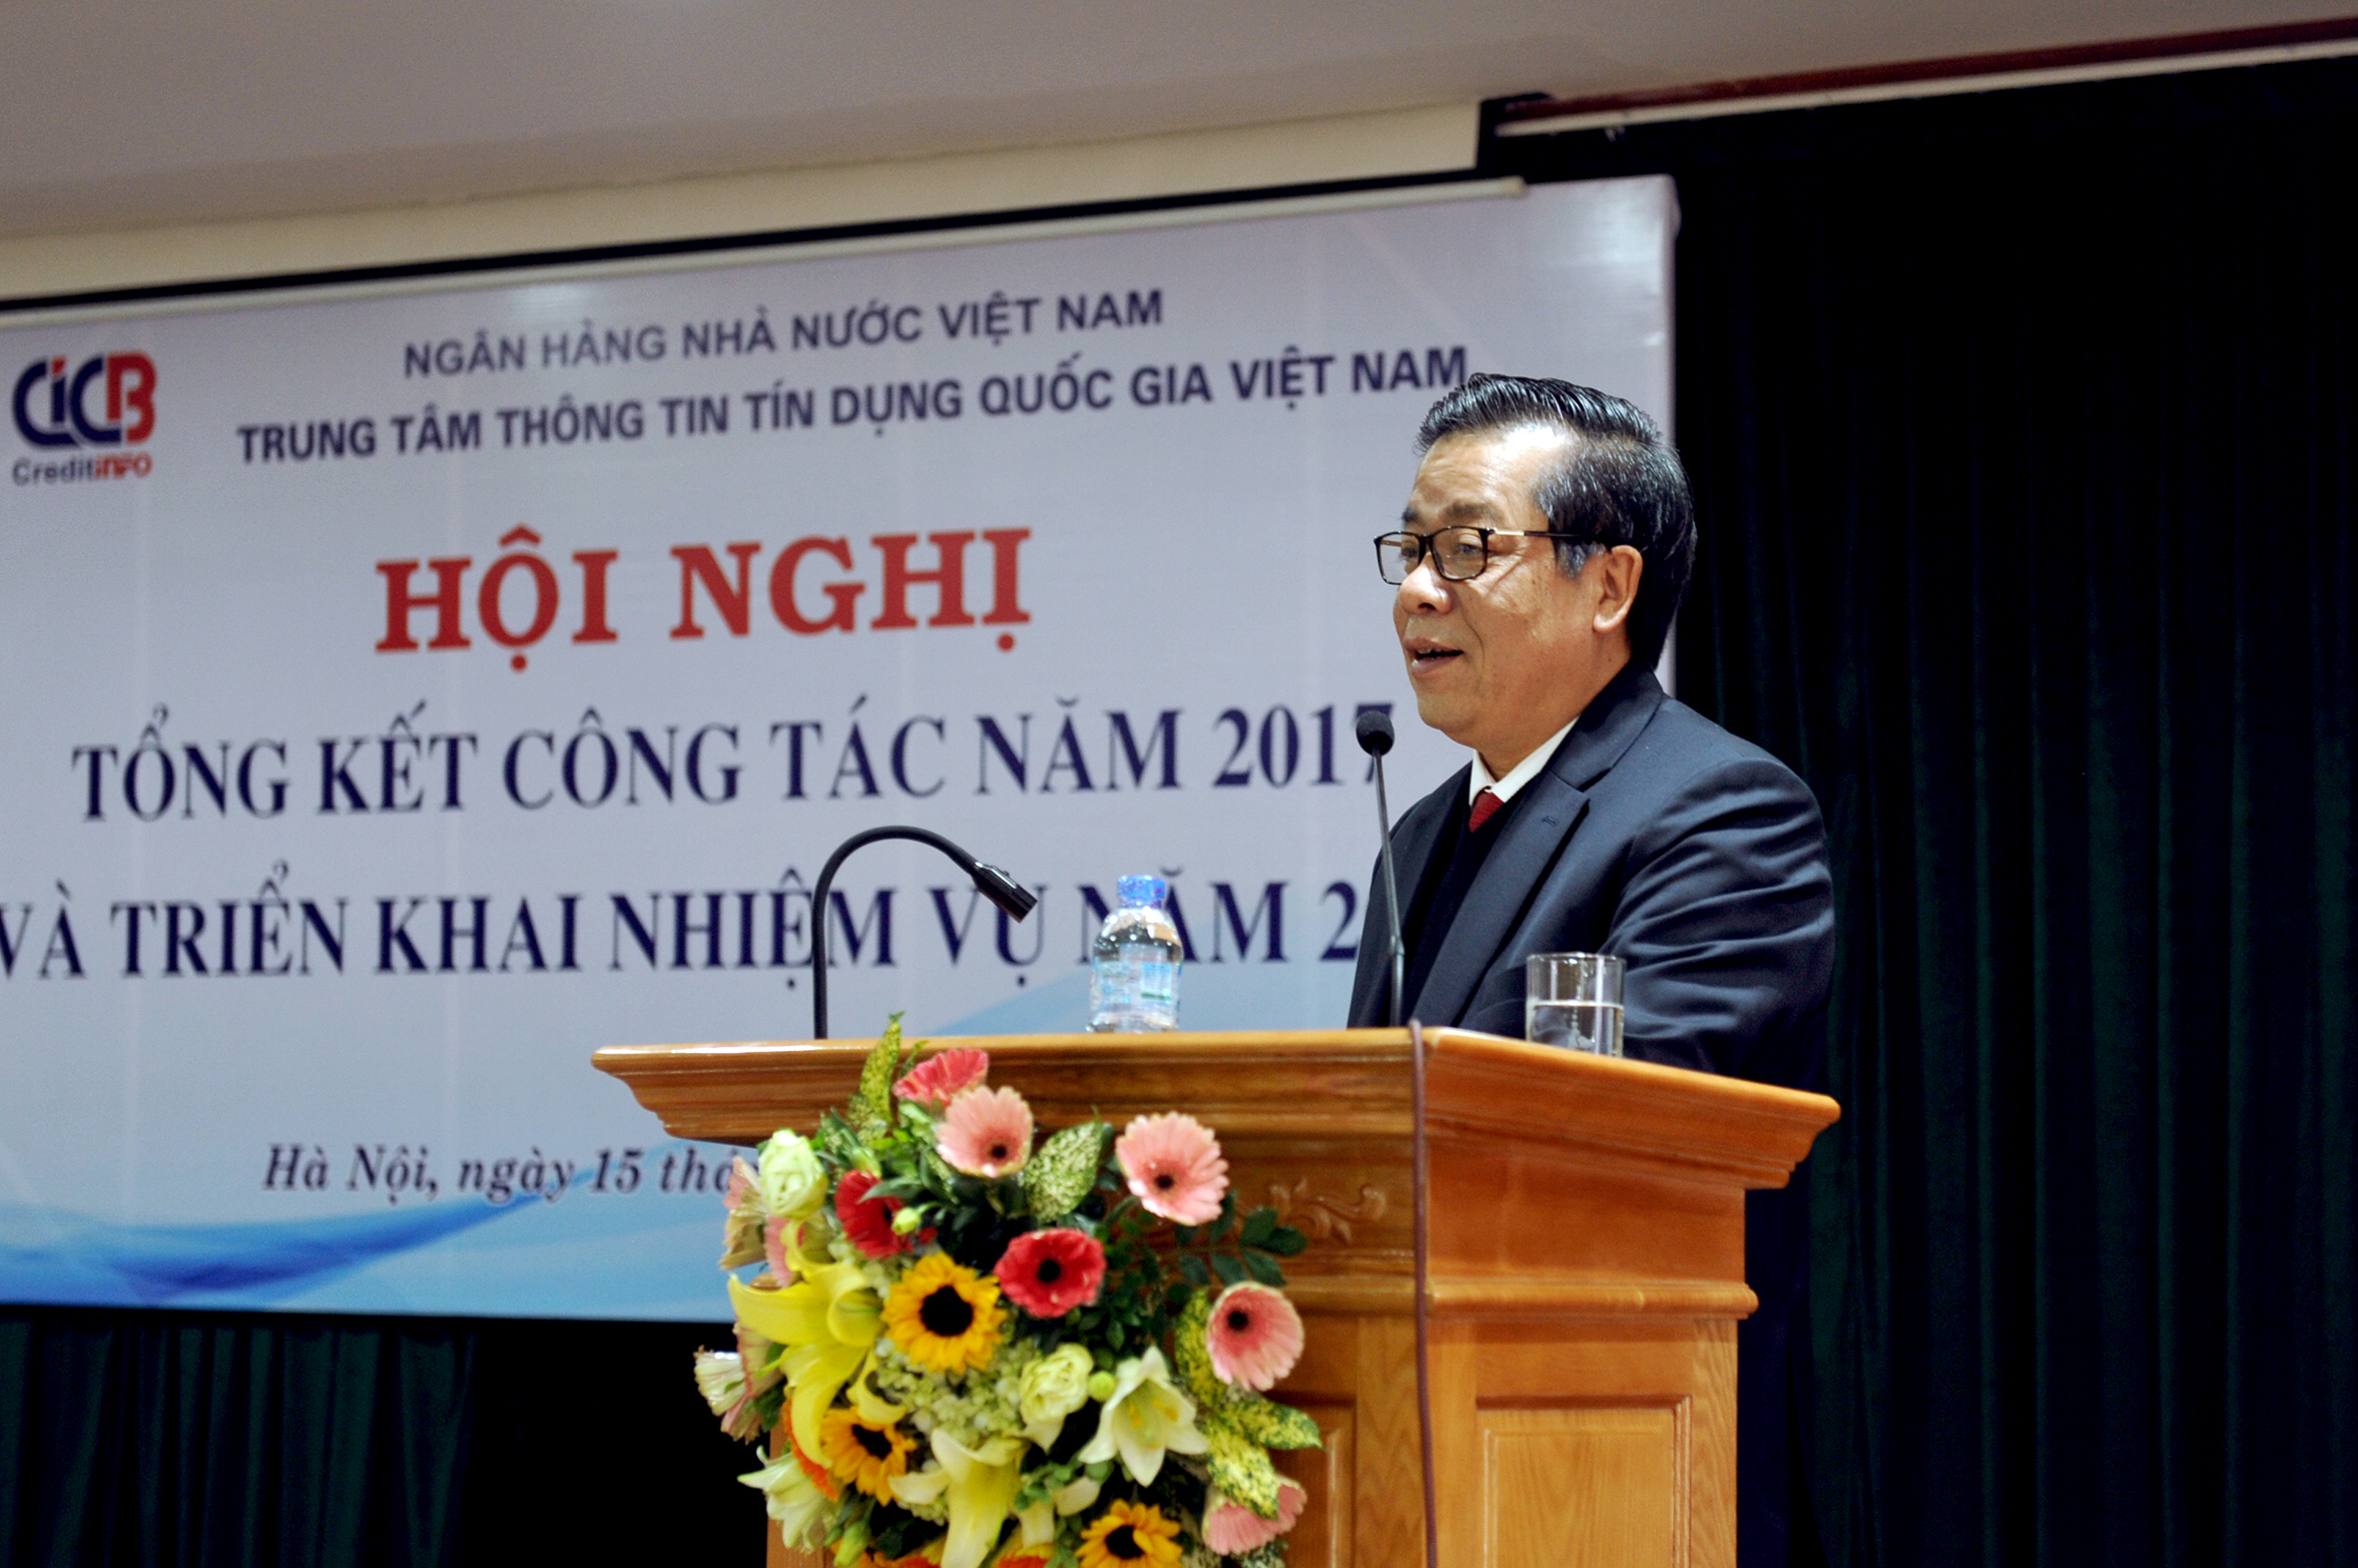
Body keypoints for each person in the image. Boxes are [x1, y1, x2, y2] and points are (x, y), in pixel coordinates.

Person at [1346, 374, 1836, 1568]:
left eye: (1467, 547)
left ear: (1608, 584)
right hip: (1410, 1444)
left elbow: (1625, 1137)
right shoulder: (1418, 832)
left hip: (1607, 1453)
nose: (1418, 589)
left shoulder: (1721, 810)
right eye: (1410, 548)